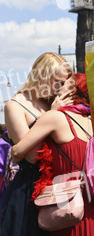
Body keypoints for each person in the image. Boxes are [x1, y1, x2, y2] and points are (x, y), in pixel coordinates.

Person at [11, 73, 94, 236]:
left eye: (64, 84)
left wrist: (50, 112)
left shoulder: (55, 117)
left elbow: (16, 152)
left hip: (68, 213)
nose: (59, 87)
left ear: (71, 91)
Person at [0, 52, 72, 236]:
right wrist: (51, 117)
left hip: (60, 186)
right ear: (42, 76)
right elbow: (32, 156)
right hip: (30, 191)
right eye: (58, 82)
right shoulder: (14, 106)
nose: (61, 88)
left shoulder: (52, 102)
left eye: (65, 83)